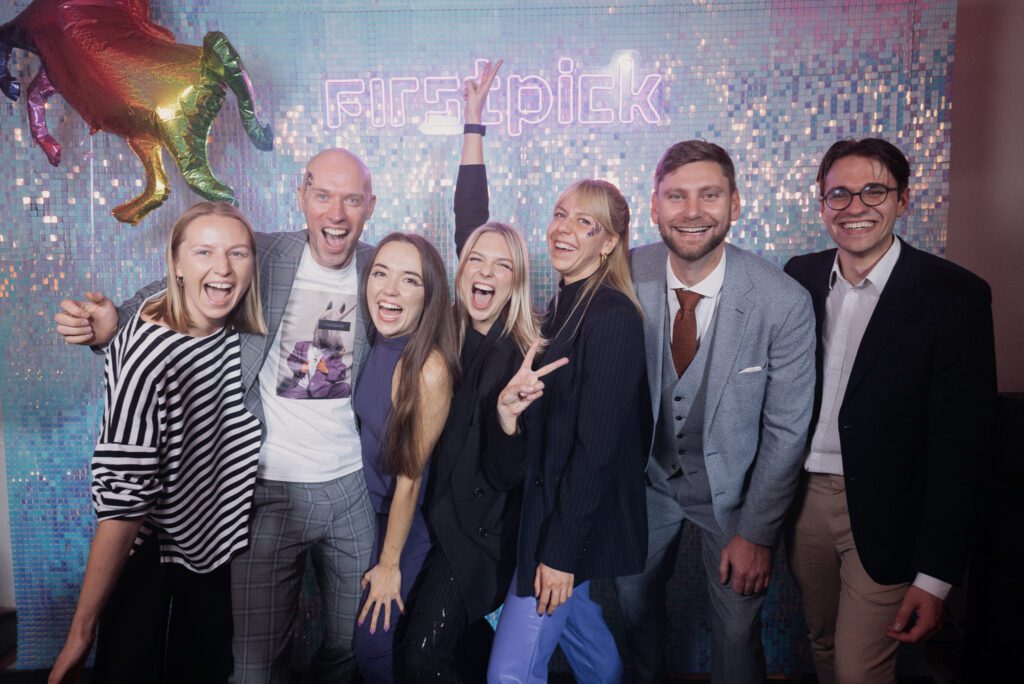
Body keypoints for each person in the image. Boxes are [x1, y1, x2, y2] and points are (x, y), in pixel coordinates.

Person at [53, 148, 380, 683]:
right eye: (322, 195)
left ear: (369, 205)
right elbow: (170, 293)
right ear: (302, 198)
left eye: (351, 200)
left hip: (299, 507)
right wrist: (113, 328)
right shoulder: (263, 255)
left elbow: (430, 307)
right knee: (235, 667)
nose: (335, 213)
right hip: (236, 508)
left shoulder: (378, 269)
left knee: (338, 650)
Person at [783, 138, 997, 684]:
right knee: (823, 644)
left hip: (888, 511)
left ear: (903, 200)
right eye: (840, 194)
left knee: (860, 671)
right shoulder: (798, 278)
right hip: (803, 500)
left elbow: (962, 448)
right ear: (822, 202)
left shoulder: (955, 296)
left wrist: (936, 578)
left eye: (873, 190)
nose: (855, 207)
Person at [614, 140, 817, 683]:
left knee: (735, 633)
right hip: (646, 488)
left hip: (734, 498)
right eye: (675, 197)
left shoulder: (783, 301)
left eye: (709, 194)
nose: (692, 211)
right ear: (654, 207)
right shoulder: (622, 277)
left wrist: (757, 532)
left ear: (735, 204)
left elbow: (787, 431)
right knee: (633, 618)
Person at [395, 60, 565, 683]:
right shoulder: (453, 325)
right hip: (432, 517)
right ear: (462, 266)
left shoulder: (520, 353)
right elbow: (472, 210)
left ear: (516, 282)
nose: (486, 271)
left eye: (503, 265)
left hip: (480, 536)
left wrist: (505, 418)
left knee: (421, 656)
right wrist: (474, 122)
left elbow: (504, 472)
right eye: (476, 259)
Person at [48, 202, 267, 684]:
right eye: (203, 251)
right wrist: (80, 633)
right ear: (176, 265)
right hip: (153, 550)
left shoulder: (227, 326)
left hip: (211, 542)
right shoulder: (147, 355)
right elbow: (124, 507)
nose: (223, 267)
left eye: (238, 253)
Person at [459, 160, 648, 679]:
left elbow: (597, 450)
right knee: (585, 636)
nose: (564, 228)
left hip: (558, 531)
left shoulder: (612, 317)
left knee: (509, 676)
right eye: (561, 214)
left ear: (609, 244)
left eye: (586, 224)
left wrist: (561, 555)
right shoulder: (560, 307)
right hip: (545, 516)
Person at [351, 233, 458, 682]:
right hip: (365, 513)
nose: (390, 289)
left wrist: (390, 565)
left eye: (409, 280)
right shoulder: (373, 339)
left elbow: (410, 481)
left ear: (429, 297)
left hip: (405, 522)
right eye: (381, 273)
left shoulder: (428, 369)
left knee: (373, 643)